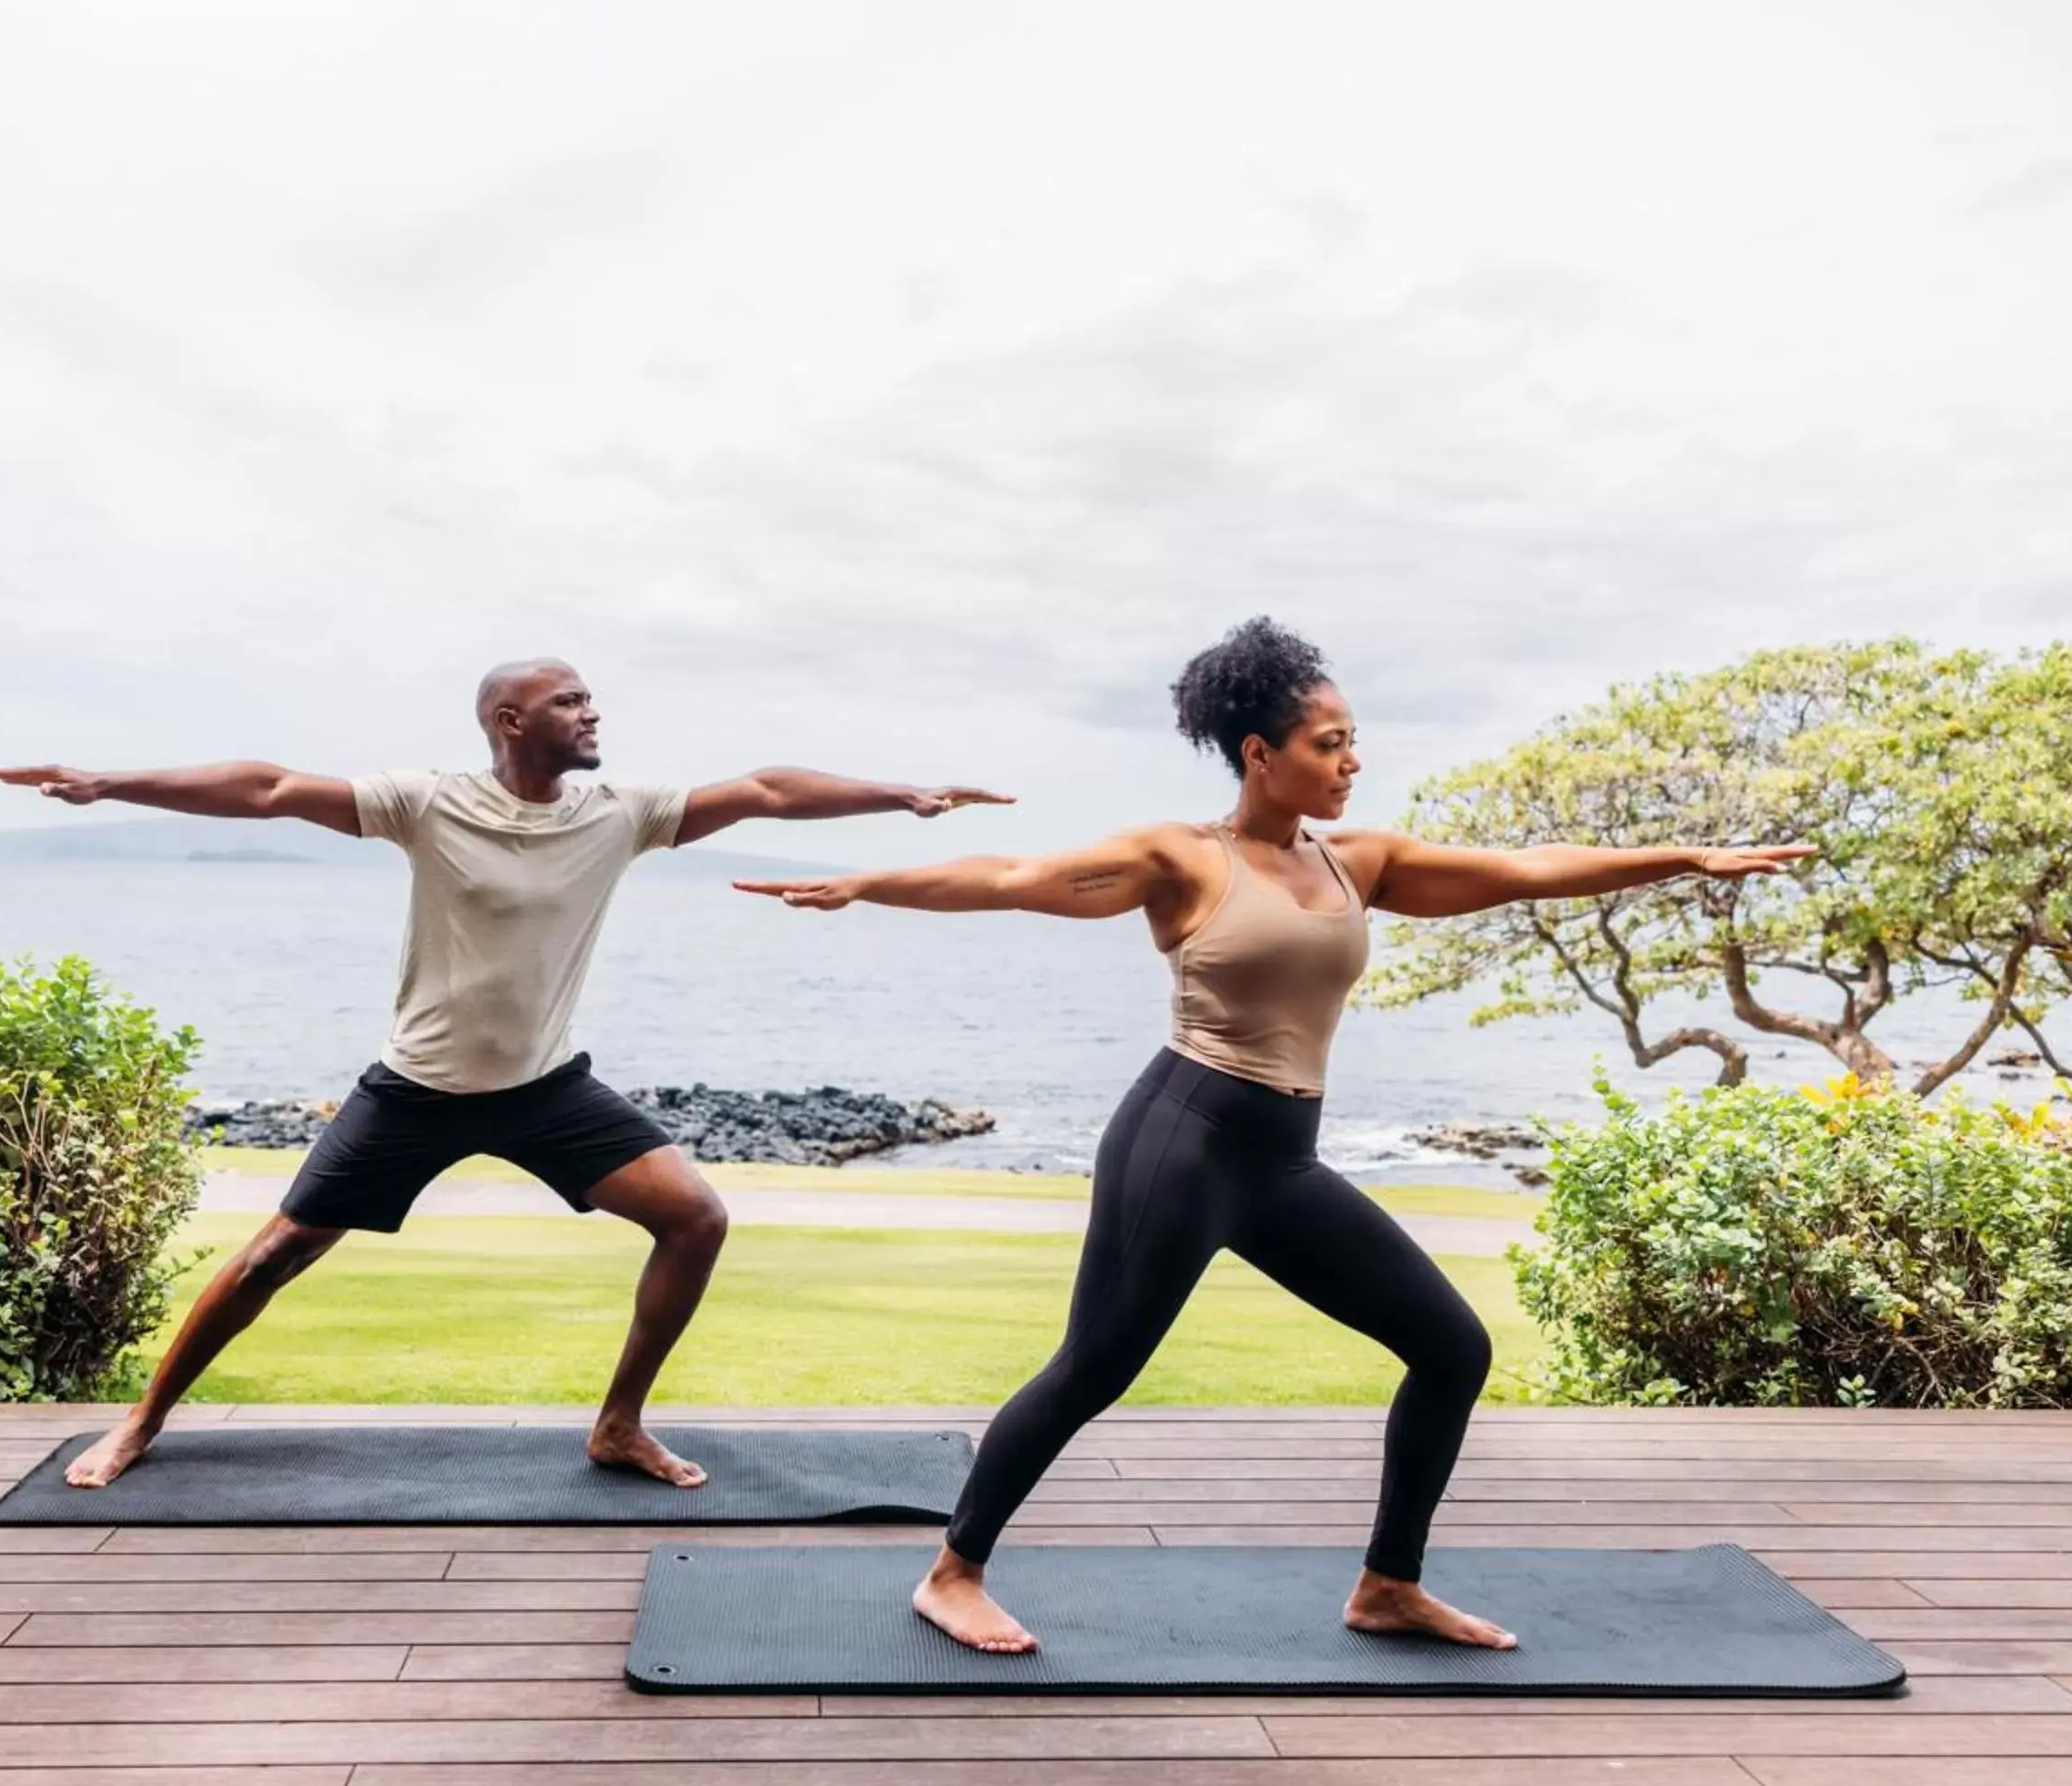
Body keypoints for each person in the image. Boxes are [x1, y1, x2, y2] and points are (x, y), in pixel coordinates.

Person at [736, 617, 1813, 1652]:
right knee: (1093, 1368)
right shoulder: (1184, 859)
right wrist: (868, 882)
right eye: (1328, 742)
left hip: (1282, 1161)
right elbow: (1015, 879)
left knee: (1450, 1348)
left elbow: (1527, 867)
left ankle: (1390, 1584)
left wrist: (1685, 857)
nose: (1352, 761)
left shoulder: (1361, 863)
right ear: (1260, 752)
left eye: (1352, 741)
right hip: (1183, 1140)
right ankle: (952, 1573)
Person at [0, 657, 1009, 1492]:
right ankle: (141, 1424)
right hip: (415, 1090)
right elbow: (271, 788)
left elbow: (767, 789)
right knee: (271, 1258)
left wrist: (902, 793)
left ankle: (617, 1426)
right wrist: (108, 782)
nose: (592, 709)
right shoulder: (427, 803)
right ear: (511, 720)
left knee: (695, 1215)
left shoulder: (620, 810)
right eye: (570, 699)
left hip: (545, 1088)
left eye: (591, 696)